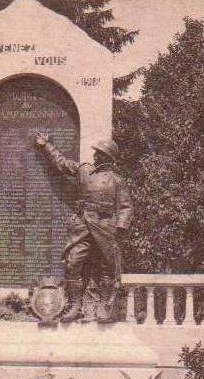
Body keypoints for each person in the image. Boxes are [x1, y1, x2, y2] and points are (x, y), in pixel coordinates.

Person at [34, 131, 133, 322]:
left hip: (105, 227)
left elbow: (127, 207)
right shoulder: (84, 170)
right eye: (96, 152)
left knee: (106, 268)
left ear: (108, 157)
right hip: (82, 226)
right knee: (73, 263)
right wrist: (46, 145)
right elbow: (61, 163)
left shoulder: (116, 180)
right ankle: (75, 306)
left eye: (99, 153)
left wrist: (120, 228)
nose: (95, 155)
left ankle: (104, 307)